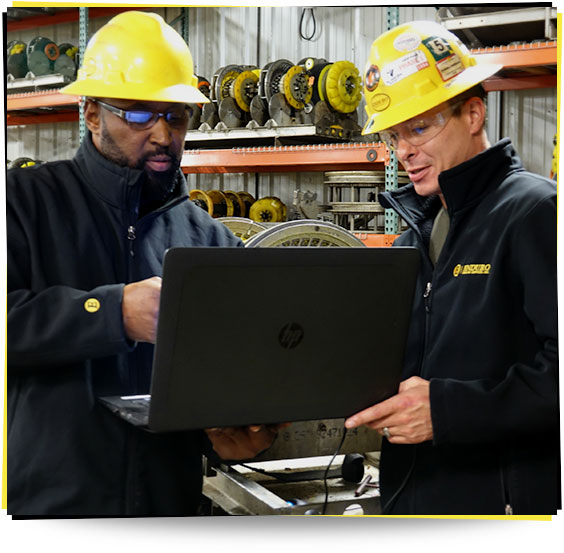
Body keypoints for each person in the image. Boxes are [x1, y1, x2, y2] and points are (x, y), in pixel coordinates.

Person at [7, 11, 279, 517]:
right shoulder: (24, 204)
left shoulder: (210, 241)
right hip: (51, 511)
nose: (161, 134)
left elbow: (226, 373)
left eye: (175, 116)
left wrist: (229, 435)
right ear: (91, 114)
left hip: (166, 509)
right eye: (138, 114)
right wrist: (109, 313)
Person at [345, 20, 560, 515]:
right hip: (414, 499)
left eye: (420, 127)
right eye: (397, 134)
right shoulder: (417, 233)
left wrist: (447, 411)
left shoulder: (534, 213)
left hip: (501, 508)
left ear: (474, 113)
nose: (405, 151)